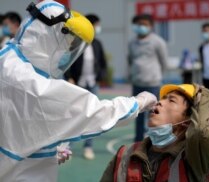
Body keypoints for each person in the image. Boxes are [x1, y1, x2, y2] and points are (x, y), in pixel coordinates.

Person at [0, 1, 157, 181]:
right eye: (66, 42)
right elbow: (95, 111)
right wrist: (139, 102)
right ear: (47, 33)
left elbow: (15, 119)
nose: (66, 51)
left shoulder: (7, 58)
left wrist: (43, 147)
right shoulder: (32, 82)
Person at [101, 84, 209, 182]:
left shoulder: (195, 160)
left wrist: (204, 93)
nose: (159, 102)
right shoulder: (124, 155)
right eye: (162, 99)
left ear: (188, 121)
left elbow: (207, 134)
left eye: (171, 100)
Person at [65, 14, 107, 160]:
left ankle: (88, 146)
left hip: (92, 84)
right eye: (96, 25)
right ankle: (67, 147)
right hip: (77, 84)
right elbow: (67, 62)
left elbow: (103, 63)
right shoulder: (76, 42)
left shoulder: (97, 43)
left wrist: (99, 78)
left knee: (92, 115)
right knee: (75, 115)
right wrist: (69, 77)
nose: (98, 28)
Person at [128, 14, 168, 142]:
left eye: (144, 24)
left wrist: (156, 76)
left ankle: (156, 141)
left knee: (154, 115)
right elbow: (130, 60)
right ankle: (138, 142)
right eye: (139, 24)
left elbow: (164, 62)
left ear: (151, 26)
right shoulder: (132, 42)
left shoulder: (158, 42)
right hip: (137, 83)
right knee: (137, 115)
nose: (141, 27)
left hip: (153, 84)